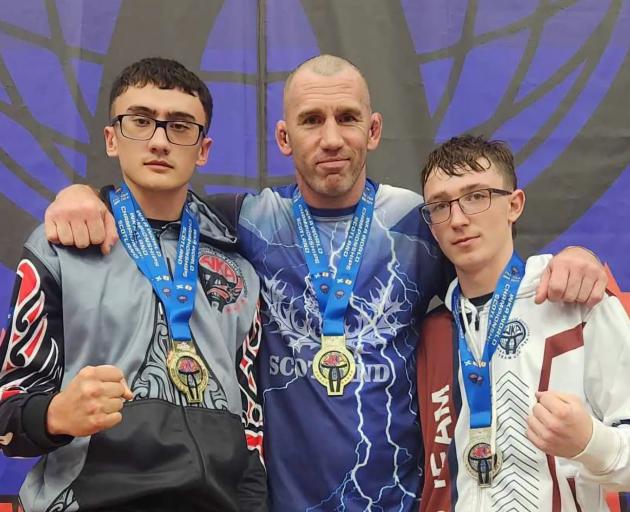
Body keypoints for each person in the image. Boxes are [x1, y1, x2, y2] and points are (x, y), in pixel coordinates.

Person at [41, 55, 607, 511]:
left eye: (347, 118)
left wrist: (579, 259)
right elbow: (151, 204)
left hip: (402, 498)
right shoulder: (244, 219)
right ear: (285, 138)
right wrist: (81, 195)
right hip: (281, 499)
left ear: (374, 129)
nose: (331, 138)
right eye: (312, 121)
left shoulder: (419, 220)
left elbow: (492, 265)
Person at [0, 58, 266, 512]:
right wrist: (57, 414)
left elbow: (251, 428)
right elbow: (8, 416)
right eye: (140, 121)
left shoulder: (238, 267)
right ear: (111, 139)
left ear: (202, 148)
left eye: (181, 127)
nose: (160, 140)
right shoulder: (59, 246)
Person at [417, 135, 630, 511]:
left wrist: (590, 442)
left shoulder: (579, 300)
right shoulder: (431, 330)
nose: (459, 218)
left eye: (476, 196)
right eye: (440, 206)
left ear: (514, 205)